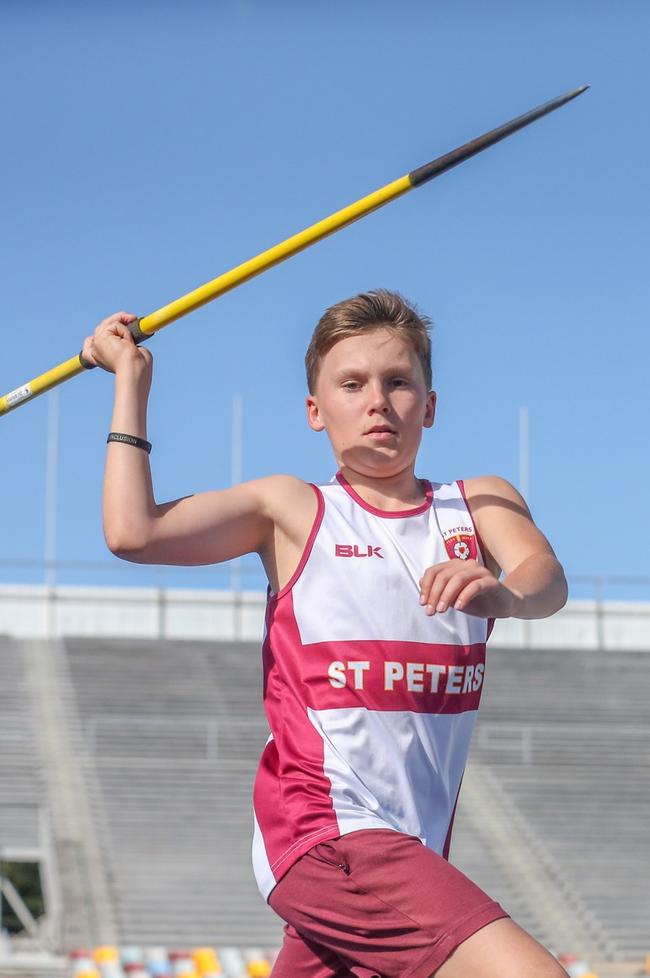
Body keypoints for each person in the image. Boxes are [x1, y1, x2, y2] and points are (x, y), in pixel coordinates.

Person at [83, 290, 569, 978]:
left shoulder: (478, 502)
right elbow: (133, 532)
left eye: (398, 382)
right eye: (352, 384)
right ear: (316, 411)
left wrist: (509, 595)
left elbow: (545, 575)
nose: (378, 401)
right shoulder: (292, 509)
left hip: (407, 846)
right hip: (323, 831)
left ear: (429, 406)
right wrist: (130, 385)